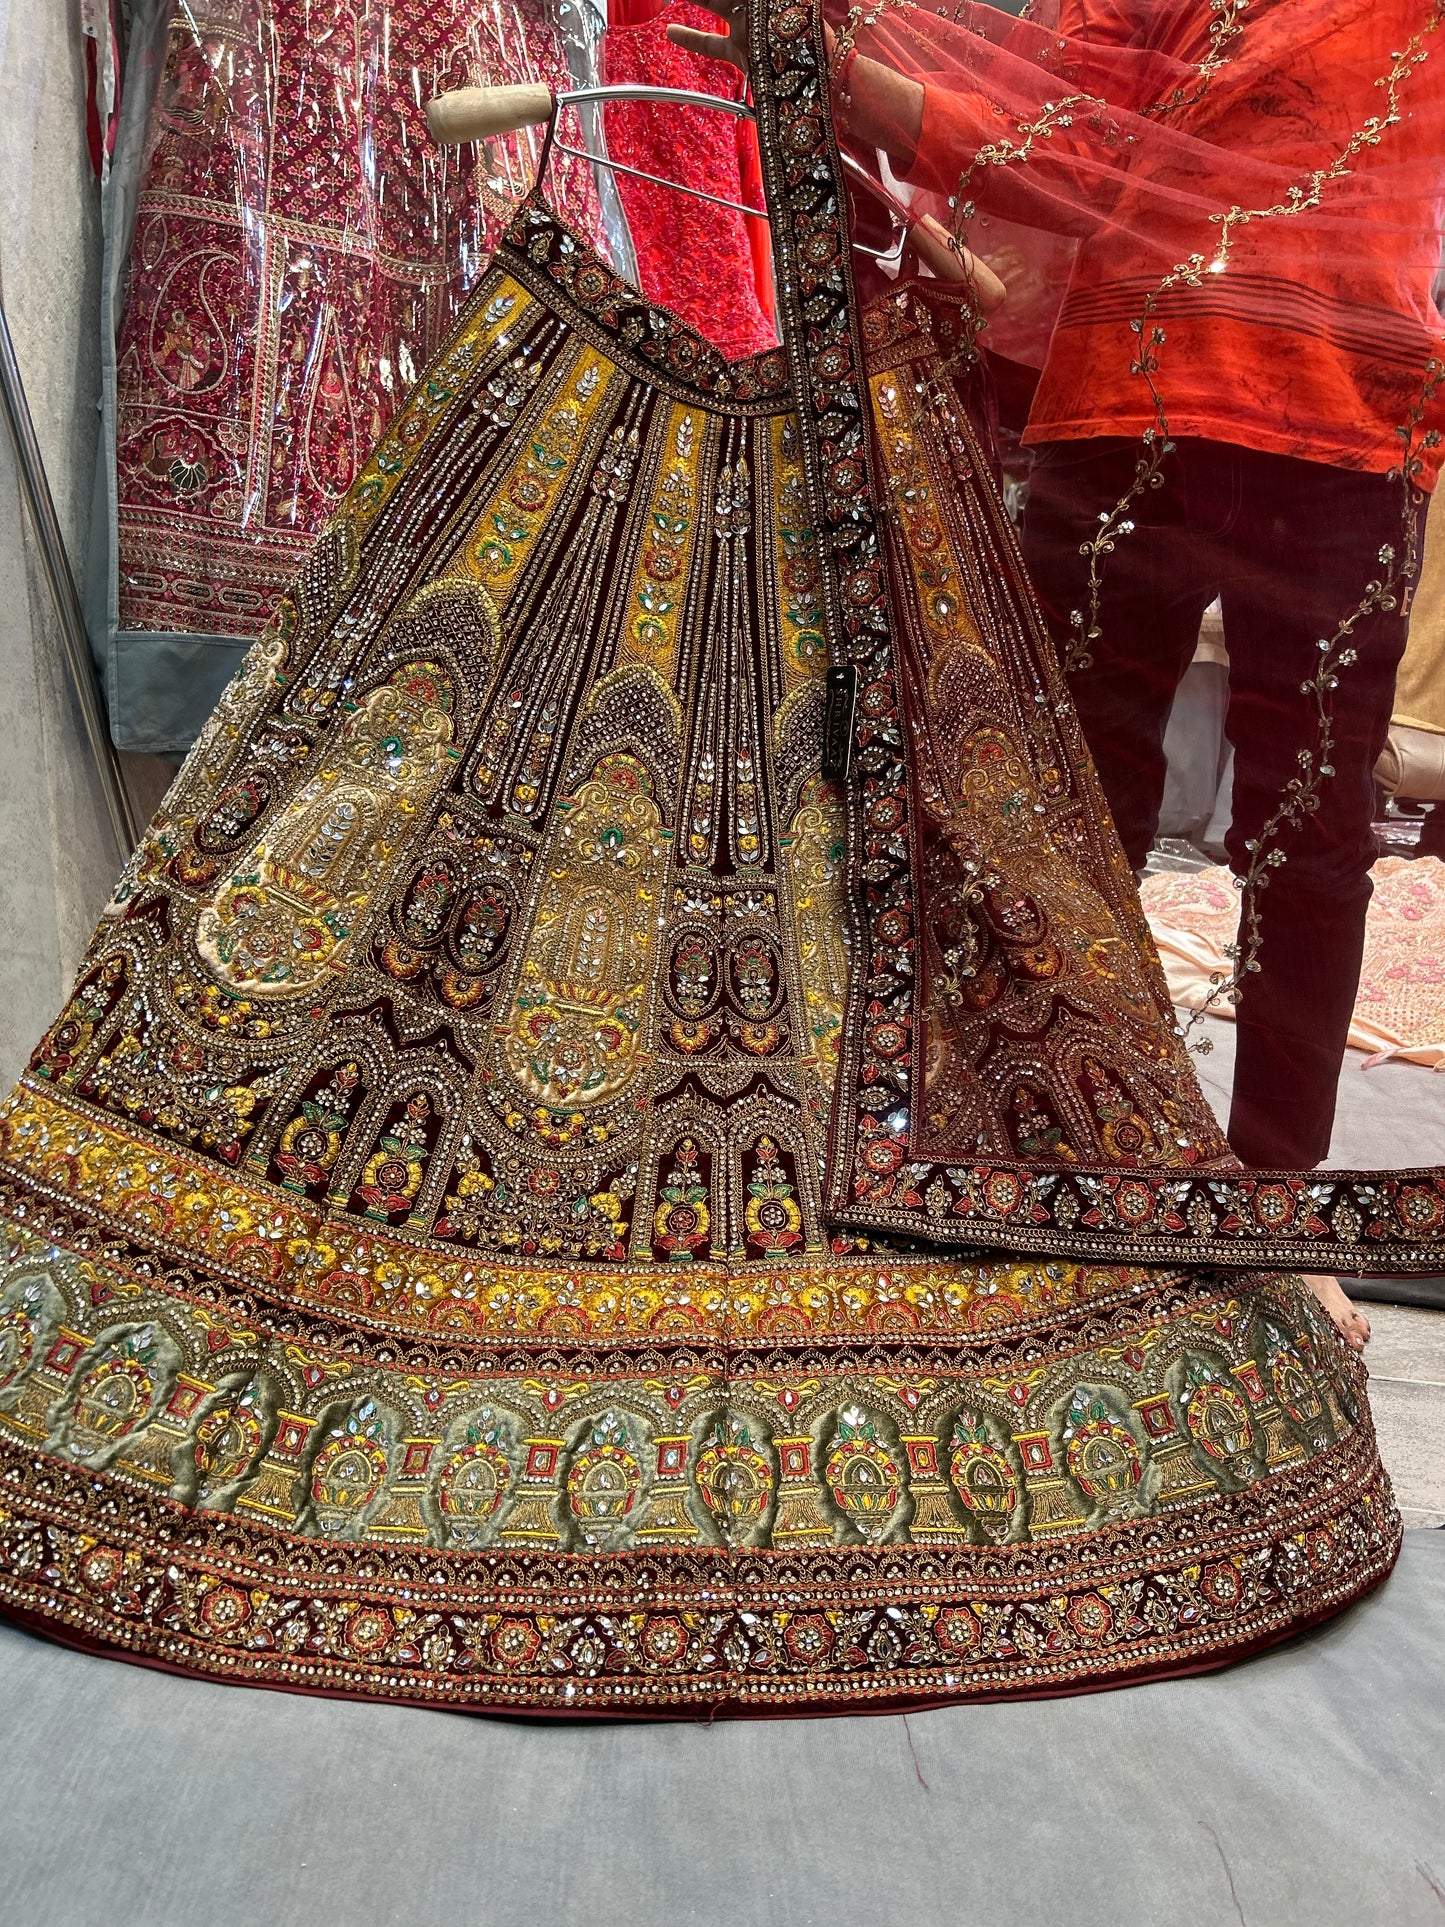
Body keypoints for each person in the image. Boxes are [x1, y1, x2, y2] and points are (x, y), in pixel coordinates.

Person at [0, 0, 1429, 1717]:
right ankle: (1166, 1189)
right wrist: (860, 105)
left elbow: (1072, 160)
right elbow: (1059, 135)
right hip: (1097, 402)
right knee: (1057, 840)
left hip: (1312, 420)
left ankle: (1262, 1202)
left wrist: (865, 100)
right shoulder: (1113, 20)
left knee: (1238, 844)